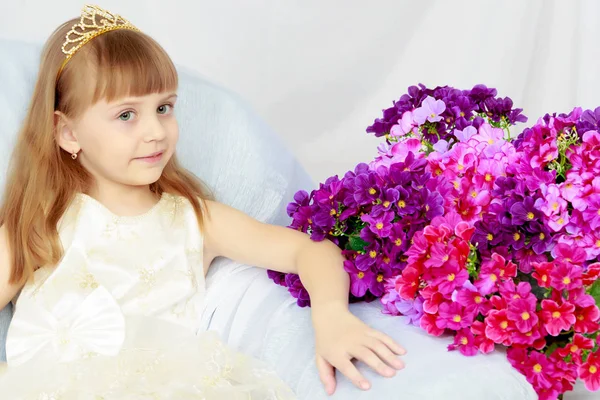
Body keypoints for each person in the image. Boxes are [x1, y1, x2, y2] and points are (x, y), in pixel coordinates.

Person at [0, 4, 406, 398]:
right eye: (126, 115)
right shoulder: (40, 224)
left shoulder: (194, 218)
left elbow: (310, 250)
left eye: (163, 108)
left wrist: (331, 316)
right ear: (68, 133)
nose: (156, 131)